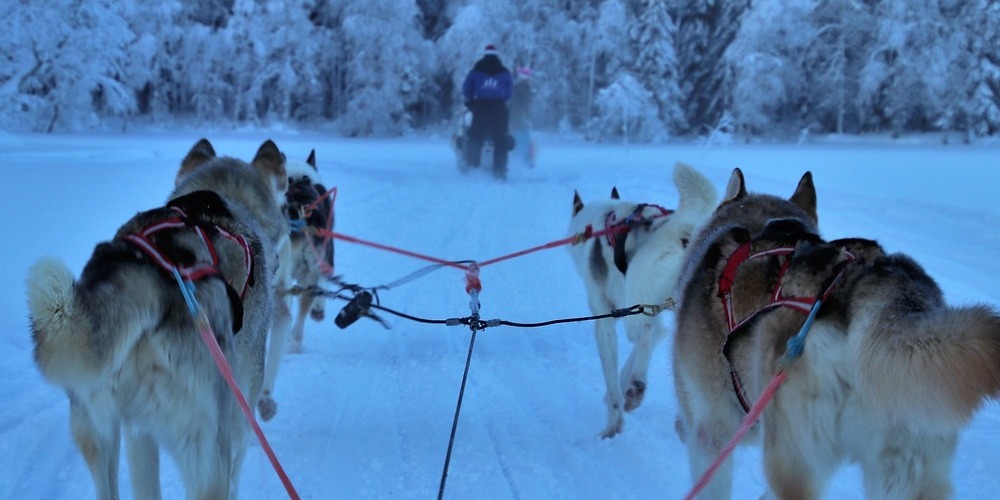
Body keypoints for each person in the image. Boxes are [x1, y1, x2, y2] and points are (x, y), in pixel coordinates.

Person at [462, 44, 514, 179]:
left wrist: (472, 99)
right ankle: (499, 171)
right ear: (496, 55)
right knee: (501, 139)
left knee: (475, 137)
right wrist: (501, 99)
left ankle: (473, 168)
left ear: (484, 54)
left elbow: (466, 89)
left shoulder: (475, 70)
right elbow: (509, 92)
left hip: (480, 107)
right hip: (498, 108)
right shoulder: (504, 72)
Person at [508, 67, 535, 167]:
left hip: (512, 118)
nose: (530, 79)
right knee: (524, 140)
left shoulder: (514, 87)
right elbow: (527, 105)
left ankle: (516, 159)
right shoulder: (525, 88)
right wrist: (528, 115)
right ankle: (525, 161)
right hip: (520, 119)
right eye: (529, 77)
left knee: (515, 139)